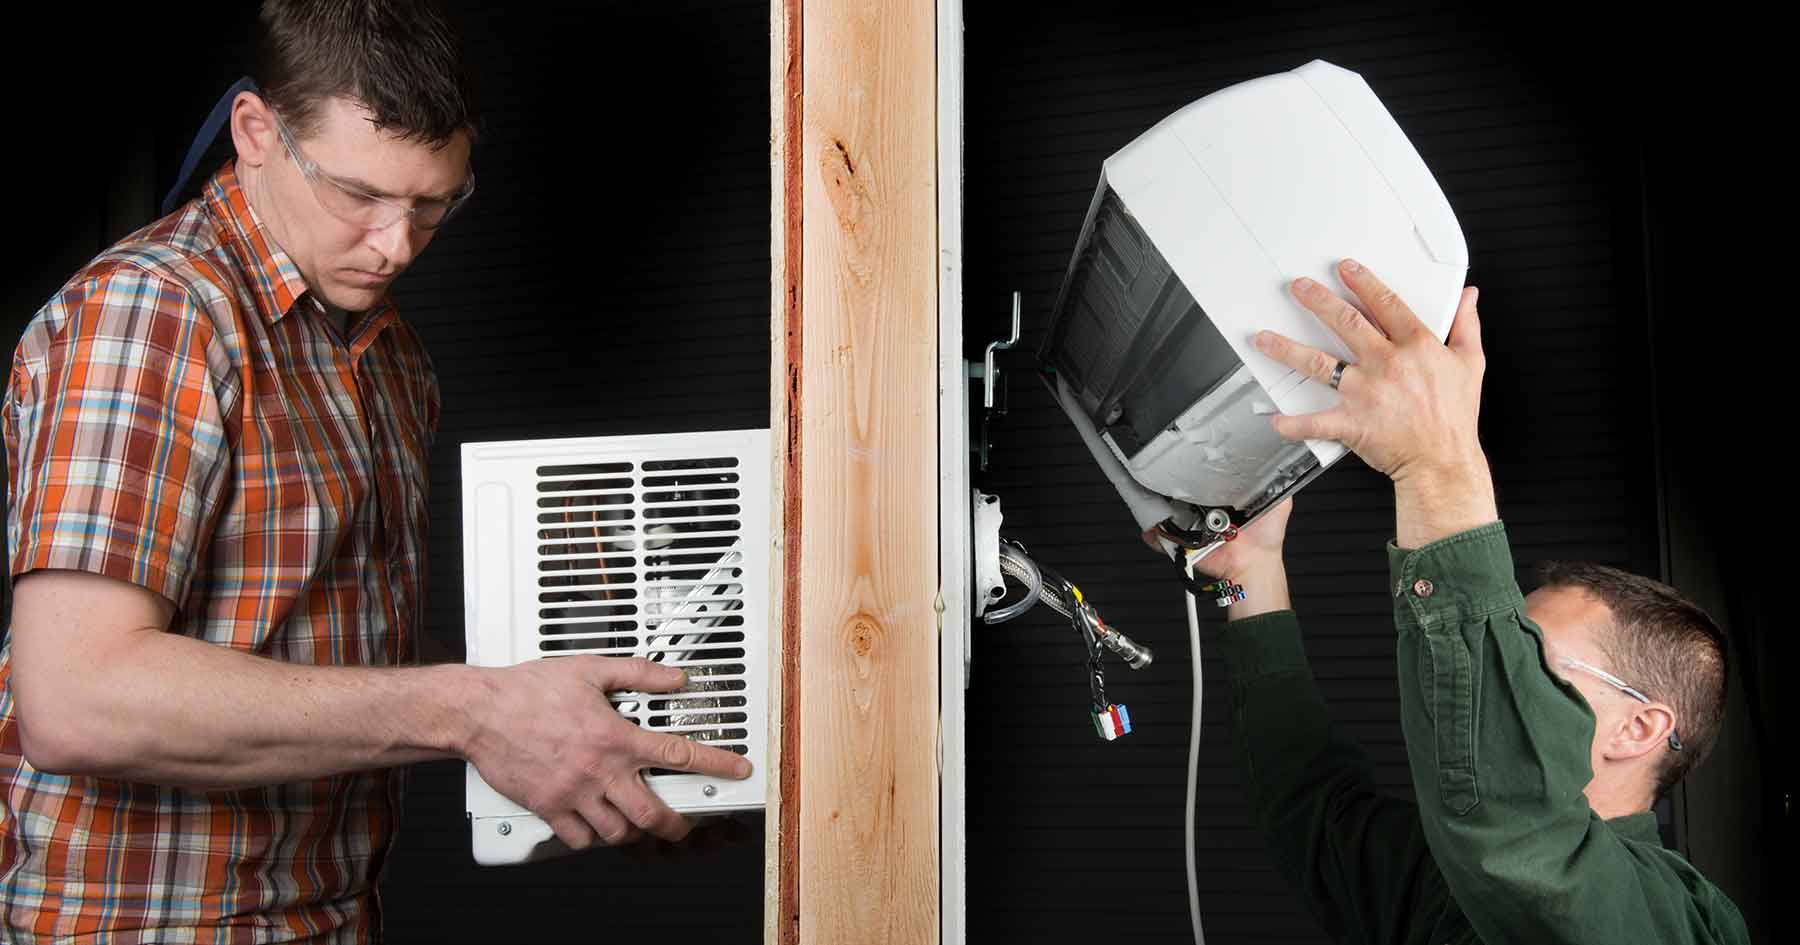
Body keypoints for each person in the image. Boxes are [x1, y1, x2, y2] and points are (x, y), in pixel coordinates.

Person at [0, 2, 749, 941]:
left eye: (433, 205)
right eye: (358, 195)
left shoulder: (391, 357)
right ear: (257, 134)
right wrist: (472, 712)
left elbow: (334, 689)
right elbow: (76, 698)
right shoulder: (154, 315)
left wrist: (595, 767)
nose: (396, 246)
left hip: (334, 916)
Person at [1191, 260, 1749, 943]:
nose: (1497, 666)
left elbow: (1523, 835)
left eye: (1528, 656)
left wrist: (1437, 464)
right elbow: (1306, 800)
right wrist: (1250, 569)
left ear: (1638, 729)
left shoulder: (1680, 921)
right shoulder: (1438, 878)